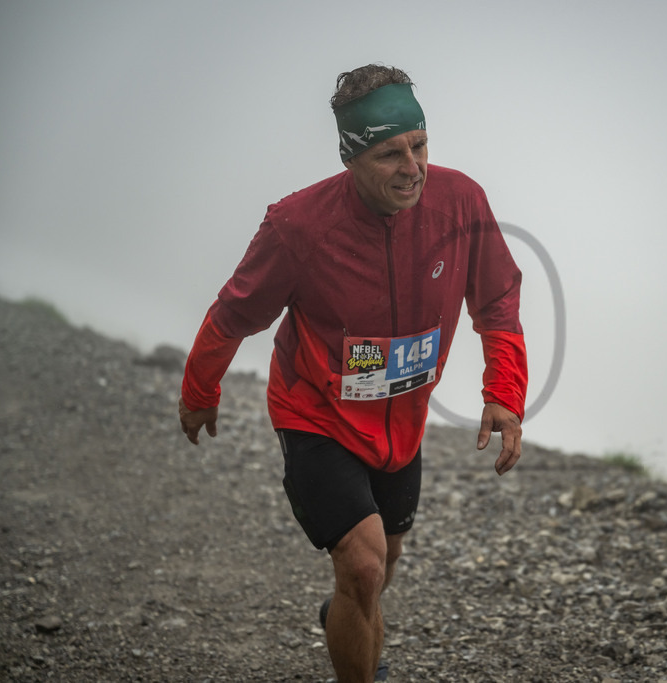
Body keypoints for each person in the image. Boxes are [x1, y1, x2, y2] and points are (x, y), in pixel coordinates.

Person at [177, 64, 528, 683]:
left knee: (382, 565)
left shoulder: (461, 201)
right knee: (363, 567)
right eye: (391, 154)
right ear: (352, 158)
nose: (413, 167)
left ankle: (347, 610)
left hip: (402, 426)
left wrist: (504, 393)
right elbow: (234, 313)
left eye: (419, 145)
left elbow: (497, 298)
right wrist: (200, 388)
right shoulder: (298, 227)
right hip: (316, 413)